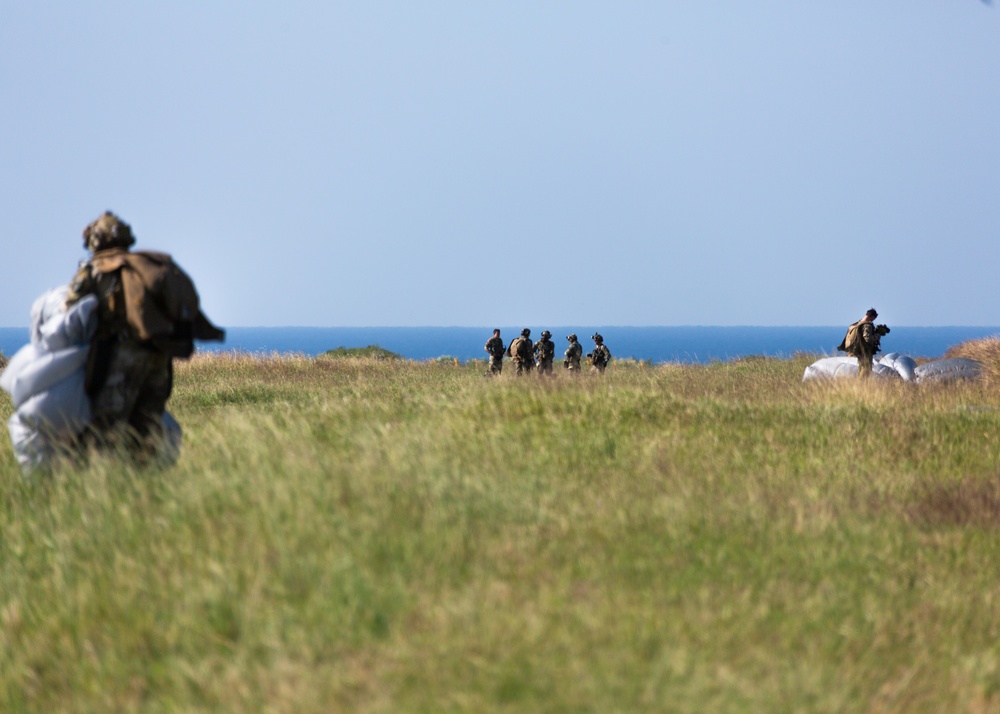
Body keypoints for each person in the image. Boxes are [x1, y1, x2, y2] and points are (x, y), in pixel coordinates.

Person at [65, 211, 224, 457]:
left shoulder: (97, 269)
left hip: (121, 357)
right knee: (148, 426)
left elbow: (70, 309)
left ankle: (106, 482)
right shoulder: (146, 266)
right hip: (158, 356)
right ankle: (145, 480)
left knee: (108, 427)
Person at [837, 308, 888, 378]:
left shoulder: (857, 323)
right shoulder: (867, 325)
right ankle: (862, 384)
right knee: (866, 369)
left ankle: (859, 383)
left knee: (861, 368)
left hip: (857, 350)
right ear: (872, 317)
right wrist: (878, 334)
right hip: (864, 351)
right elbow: (868, 339)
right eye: (874, 318)